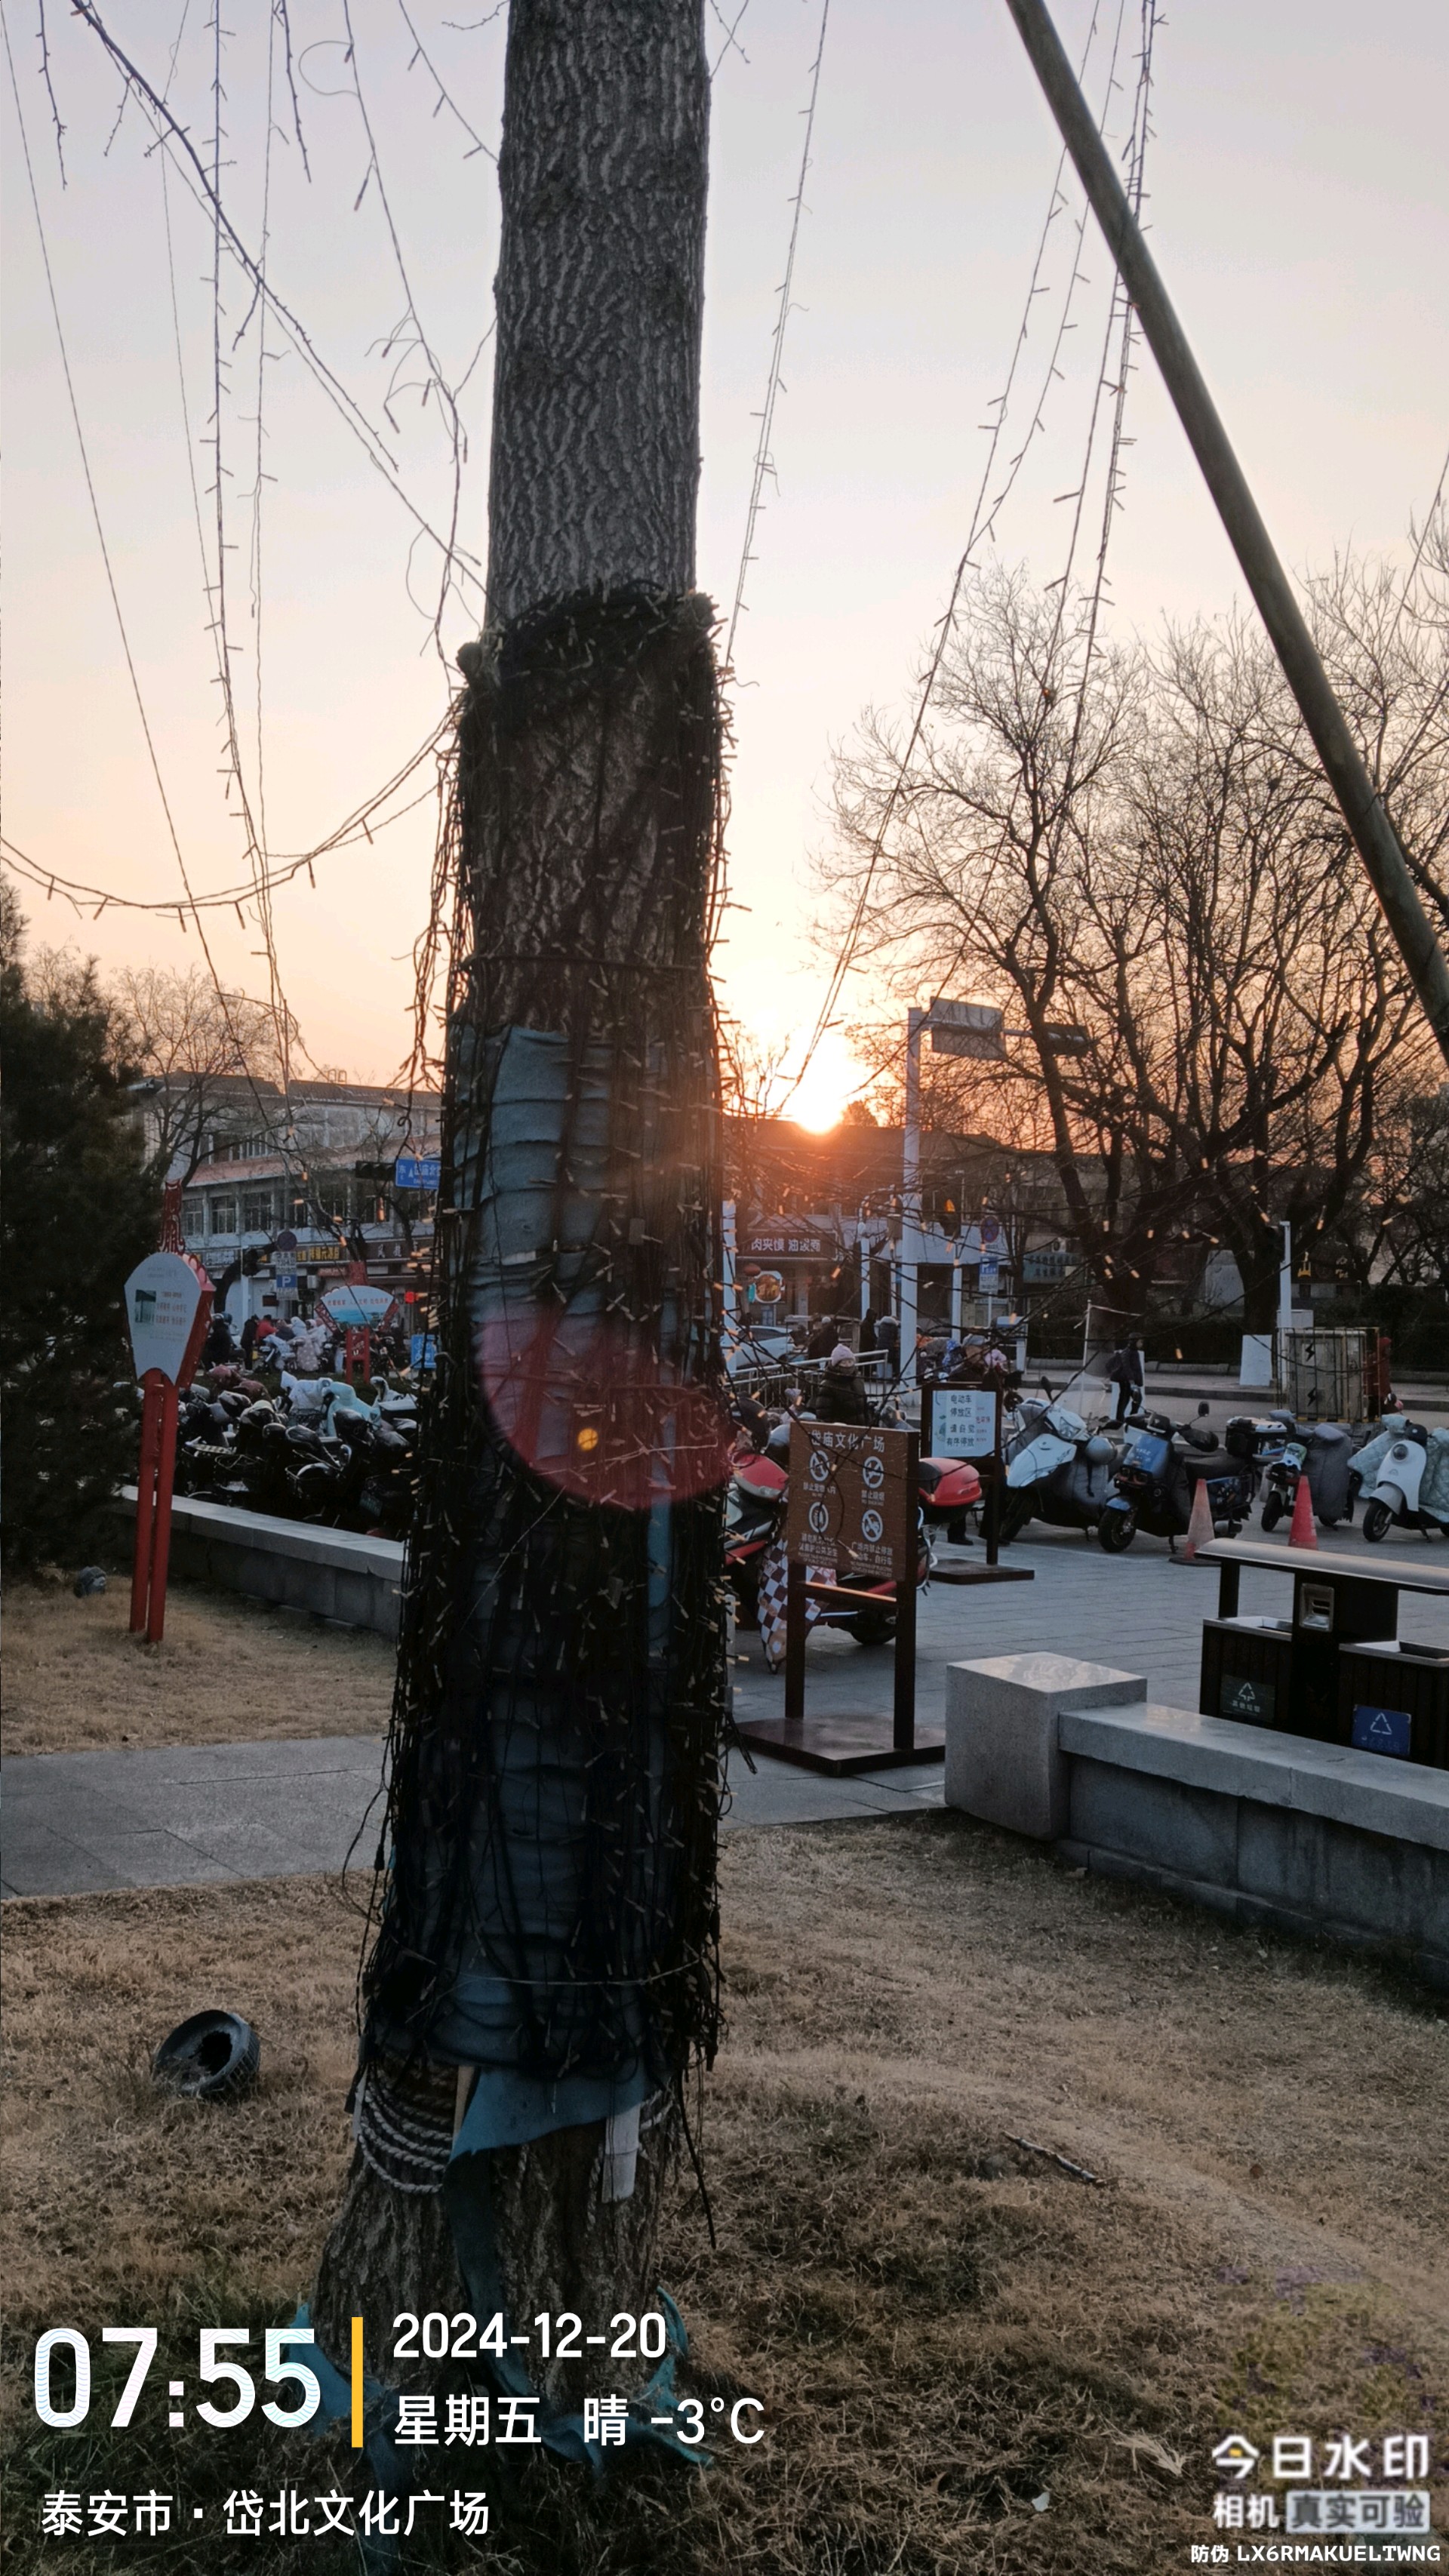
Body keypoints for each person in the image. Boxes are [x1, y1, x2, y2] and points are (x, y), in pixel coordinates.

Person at [808, 1344, 873, 1426]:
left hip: (861, 1429)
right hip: (841, 1430)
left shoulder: (857, 1380)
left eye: (850, 1362)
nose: (848, 1365)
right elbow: (823, 1415)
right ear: (836, 1365)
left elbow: (865, 1407)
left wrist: (869, 1424)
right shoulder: (828, 1385)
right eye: (844, 1363)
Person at [1105, 1333, 1146, 1425]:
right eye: (1140, 1342)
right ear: (1134, 1342)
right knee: (1126, 1399)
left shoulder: (1133, 1352)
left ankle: (1128, 1418)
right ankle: (1123, 1419)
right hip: (1127, 1381)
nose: (1141, 1344)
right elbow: (1127, 1367)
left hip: (1130, 1381)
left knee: (1132, 1399)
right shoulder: (1127, 1352)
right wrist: (1132, 1381)